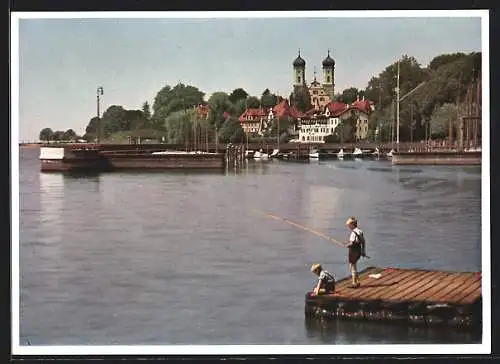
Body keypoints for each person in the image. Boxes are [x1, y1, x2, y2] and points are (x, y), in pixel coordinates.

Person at [345, 216, 366, 288]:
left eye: (349, 226)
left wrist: (348, 245)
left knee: (352, 266)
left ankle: (354, 283)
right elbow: (363, 242)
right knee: (354, 265)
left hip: (353, 251)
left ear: (352, 225)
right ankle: (357, 281)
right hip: (358, 250)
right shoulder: (360, 231)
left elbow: (352, 243)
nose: (348, 227)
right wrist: (363, 251)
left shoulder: (353, 233)